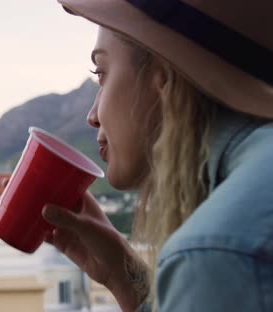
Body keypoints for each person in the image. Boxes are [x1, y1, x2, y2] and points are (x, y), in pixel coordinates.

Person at [40, 1, 273, 311]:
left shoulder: (214, 254)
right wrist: (127, 280)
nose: (92, 116)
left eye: (102, 73)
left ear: (163, 75)